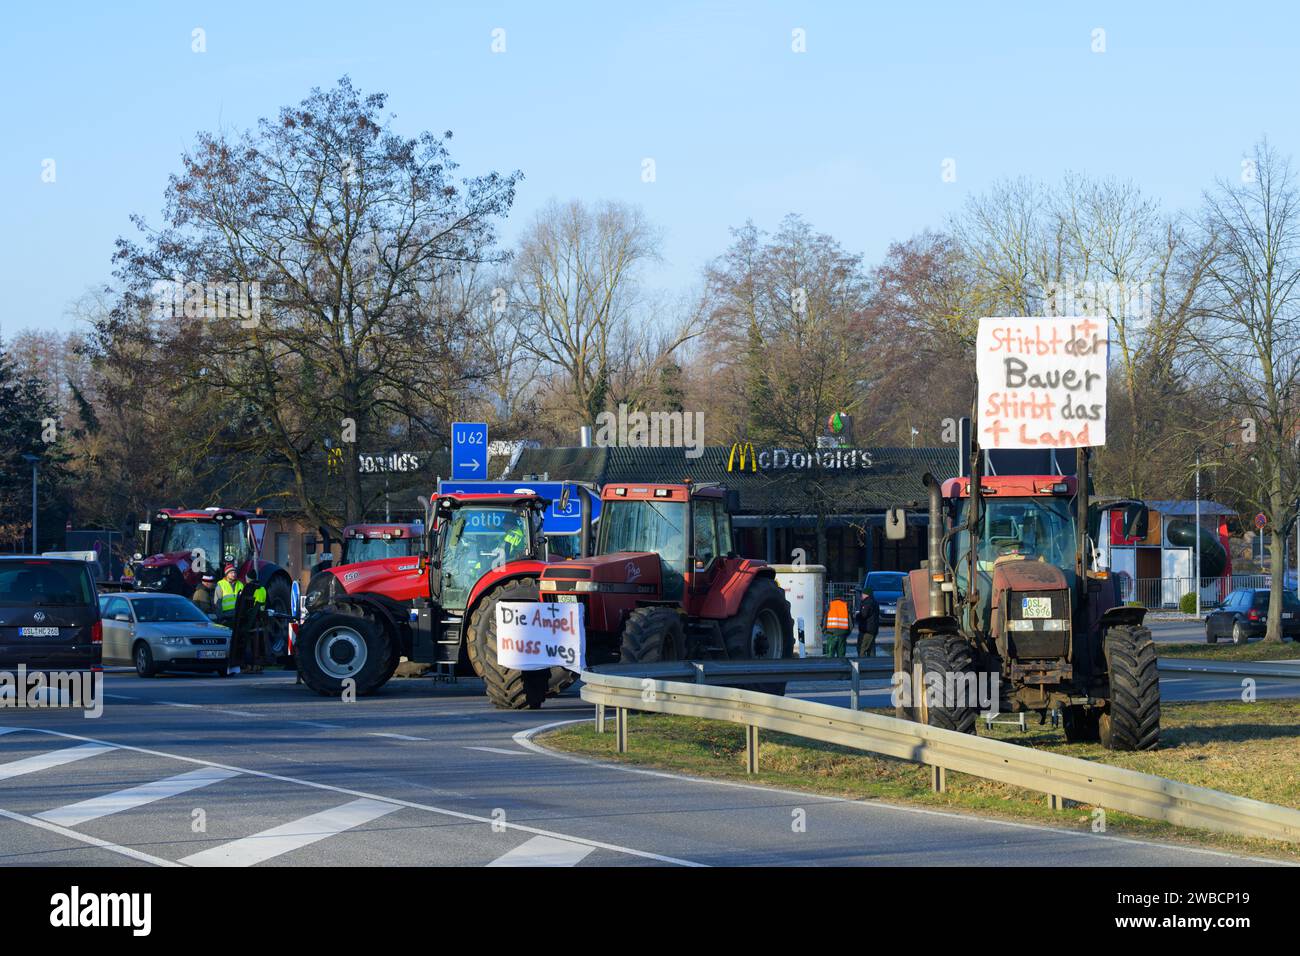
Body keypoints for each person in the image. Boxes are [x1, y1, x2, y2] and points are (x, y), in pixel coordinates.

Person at [216, 564, 244, 675]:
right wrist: (220, 618)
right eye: (231, 572)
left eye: (235, 572)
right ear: (226, 574)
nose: (234, 574)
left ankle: (235, 666)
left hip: (237, 616)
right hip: (226, 617)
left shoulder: (240, 585)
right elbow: (217, 603)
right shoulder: (220, 585)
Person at [856, 586, 880, 657]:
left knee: (861, 648)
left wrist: (857, 615)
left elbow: (864, 615)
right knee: (871, 649)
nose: (861, 595)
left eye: (862, 594)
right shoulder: (874, 601)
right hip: (872, 629)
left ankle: (862, 665)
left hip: (867, 630)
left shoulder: (867, 602)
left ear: (866, 594)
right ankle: (872, 665)